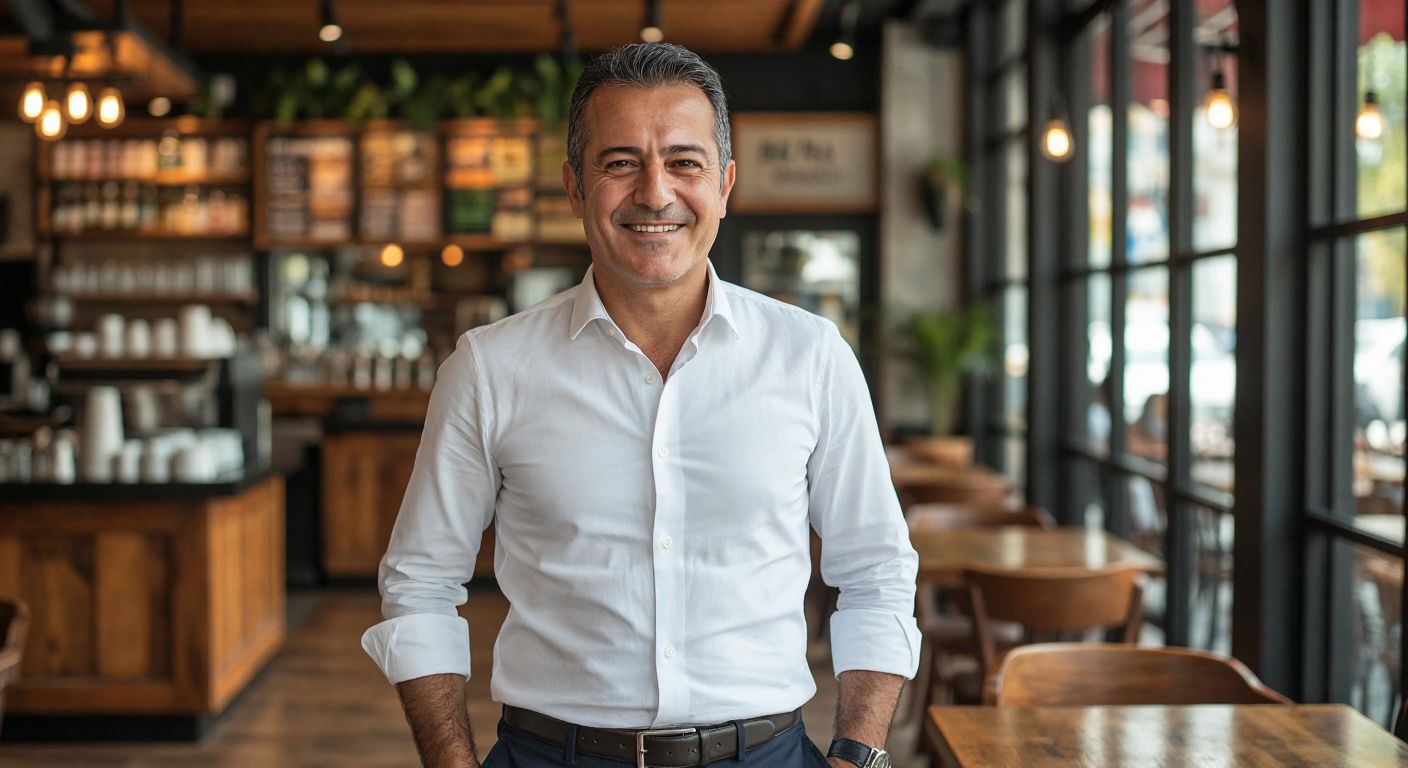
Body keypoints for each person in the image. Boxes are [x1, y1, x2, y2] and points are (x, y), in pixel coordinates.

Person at [362, 42, 920, 768]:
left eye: (684, 163)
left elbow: (876, 572)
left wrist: (858, 756)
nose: (654, 193)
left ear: (724, 184)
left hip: (767, 754)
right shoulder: (489, 367)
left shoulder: (810, 356)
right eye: (620, 162)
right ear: (573, 187)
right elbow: (420, 584)